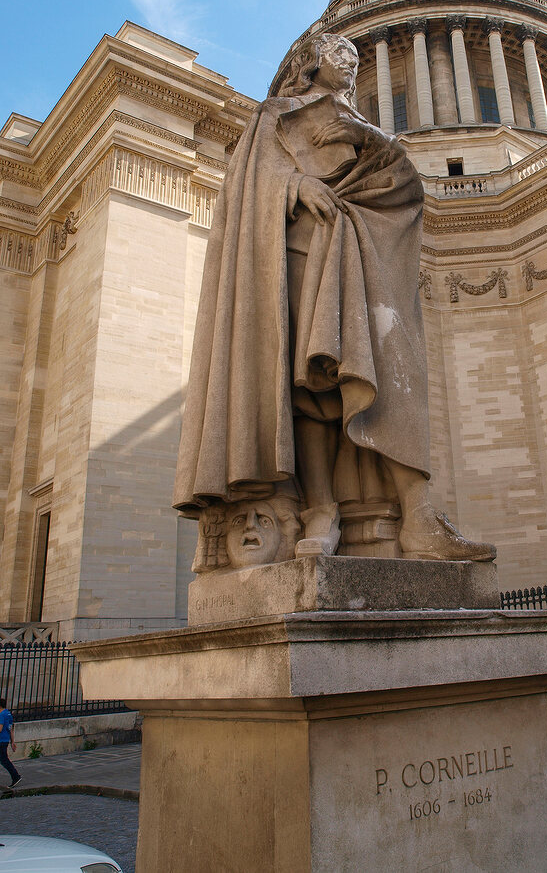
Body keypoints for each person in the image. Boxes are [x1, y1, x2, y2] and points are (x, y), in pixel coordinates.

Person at [174, 32, 494, 564]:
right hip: (297, 253)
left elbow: (402, 188)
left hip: (361, 258)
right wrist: (295, 185)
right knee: (307, 386)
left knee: (392, 379)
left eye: (354, 59)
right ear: (310, 63)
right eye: (339, 56)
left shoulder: (365, 131)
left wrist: (374, 141)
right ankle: (320, 510)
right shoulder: (273, 115)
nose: (350, 65)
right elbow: (249, 186)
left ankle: (418, 513)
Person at [0, 697, 21, 789]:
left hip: (1, 741)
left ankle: (16, 776)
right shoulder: (8, 714)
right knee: (4, 760)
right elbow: (11, 729)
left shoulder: (1, 715)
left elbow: (0, 729)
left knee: (4, 760)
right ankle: (15, 776)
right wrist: (12, 742)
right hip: (5, 740)